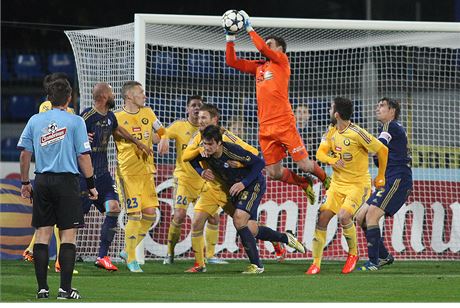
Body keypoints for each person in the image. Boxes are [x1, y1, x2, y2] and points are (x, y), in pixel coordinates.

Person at [225, 10, 330, 205]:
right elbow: (231, 61)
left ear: (280, 49)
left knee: (305, 164)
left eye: (271, 44)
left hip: (284, 123)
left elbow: (263, 48)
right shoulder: (259, 67)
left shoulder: (281, 62)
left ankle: (326, 180)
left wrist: (249, 28)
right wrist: (230, 36)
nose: (265, 47)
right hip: (265, 127)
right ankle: (303, 184)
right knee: (273, 173)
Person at [18, 79, 98, 299]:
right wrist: (91, 185)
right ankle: (65, 289)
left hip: (42, 181)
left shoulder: (35, 120)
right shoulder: (75, 121)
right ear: (69, 98)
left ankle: (42, 289)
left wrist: (25, 183)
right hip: (67, 182)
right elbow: (83, 156)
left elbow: (25, 154)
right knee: (68, 237)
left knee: (42, 235)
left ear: (48, 97)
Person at [188, 125, 306, 274]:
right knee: (251, 229)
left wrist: (243, 183)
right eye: (205, 143)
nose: (207, 147)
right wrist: (201, 171)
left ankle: (257, 265)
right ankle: (286, 238)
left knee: (238, 219)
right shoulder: (205, 153)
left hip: (252, 184)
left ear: (219, 143)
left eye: (210, 144)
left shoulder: (231, 150)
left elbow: (260, 163)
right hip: (237, 188)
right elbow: (192, 160)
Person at [305, 97, 388, 275]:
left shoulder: (358, 133)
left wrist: (381, 175)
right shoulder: (331, 131)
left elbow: (382, 149)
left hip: (358, 185)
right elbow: (320, 154)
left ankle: (353, 254)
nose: (328, 111)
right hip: (337, 184)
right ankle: (316, 263)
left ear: (336, 114)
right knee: (322, 217)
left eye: (330, 108)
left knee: (344, 216)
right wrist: (333, 160)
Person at [79, 82, 153, 271]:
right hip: (83, 175)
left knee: (114, 208)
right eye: (111, 93)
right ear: (104, 96)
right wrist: (79, 139)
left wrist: (139, 143)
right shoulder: (86, 116)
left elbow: (119, 130)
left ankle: (102, 256)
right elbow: (71, 137)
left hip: (103, 175)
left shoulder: (110, 116)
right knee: (73, 216)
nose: (114, 96)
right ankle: (57, 257)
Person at [158, 96, 227, 265]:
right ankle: (170, 252)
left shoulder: (213, 132)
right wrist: (164, 137)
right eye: (193, 106)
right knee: (179, 215)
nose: (197, 109)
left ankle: (210, 256)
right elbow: (162, 133)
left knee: (213, 218)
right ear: (187, 109)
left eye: (199, 106)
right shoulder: (179, 126)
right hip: (184, 180)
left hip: (206, 181)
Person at [23, 72, 77, 274]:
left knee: (51, 221)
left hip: (58, 170)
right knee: (56, 221)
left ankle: (33, 250)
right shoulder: (47, 109)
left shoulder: (69, 113)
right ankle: (57, 262)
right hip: (53, 169)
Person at [356, 98, 413, 271]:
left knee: (372, 215)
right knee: (360, 217)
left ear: (392, 111)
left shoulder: (390, 126)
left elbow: (379, 146)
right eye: (378, 105)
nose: (378, 108)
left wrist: (358, 146)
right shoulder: (389, 128)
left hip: (397, 178)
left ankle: (374, 261)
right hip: (389, 178)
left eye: (382, 106)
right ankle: (383, 255)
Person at [114, 81, 165, 272]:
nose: (144, 96)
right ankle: (132, 260)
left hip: (147, 171)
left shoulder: (148, 113)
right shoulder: (117, 117)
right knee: (134, 216)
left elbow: (160, 131)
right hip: (128, 173)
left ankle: (128, 249)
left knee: (150, 215)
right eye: (140, 92)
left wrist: (163, 139)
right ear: (129, 96)